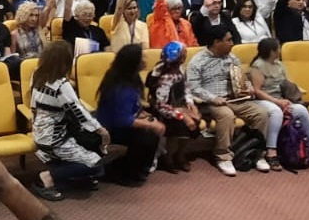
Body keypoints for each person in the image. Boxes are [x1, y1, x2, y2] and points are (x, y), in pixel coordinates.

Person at [186, 25, 272, 176]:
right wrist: (213, 98)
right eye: (228, 40)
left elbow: (243, 79)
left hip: (234, 99)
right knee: (226, 115)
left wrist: (248, 88)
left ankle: (257, 153)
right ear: (216, 42)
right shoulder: (198, 60)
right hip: (211, 102)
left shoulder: (232, 58)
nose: (232, 43)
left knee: (261, 113)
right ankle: (223, 156)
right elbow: (193, 87)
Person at [29, 41, 108, 200]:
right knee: (96, 164)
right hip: (55, 138)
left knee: (87, 142)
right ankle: (47, 177)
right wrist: (101, 130)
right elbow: (77, 111)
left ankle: (72, 175)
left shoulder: (36, 74)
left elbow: (33, 106)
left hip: (40, 131)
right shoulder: (61, 84)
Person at [248, 38, 309, 169]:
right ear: (271, 51)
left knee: (301, 110)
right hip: (263, 100)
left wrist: (293, 95)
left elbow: (288, 83)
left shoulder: (279, 65)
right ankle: (271, 151)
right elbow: (257, 91)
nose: (280, 50)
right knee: (276, 113)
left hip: (281, 98)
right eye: (278, 48)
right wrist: (276, 101)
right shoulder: (258, 66)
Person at [91, 45, 163, 186]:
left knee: (150, 130)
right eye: (142, 57)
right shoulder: (120, 87)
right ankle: (127, 174)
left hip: (121, 122)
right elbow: (122, 120)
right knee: (147, 136)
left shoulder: (130, 77)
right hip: (109, 128)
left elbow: (133, 106)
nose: (146, 59)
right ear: (133, 62)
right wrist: (151, 124)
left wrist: (143, 115)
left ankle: (138, 170)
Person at [146, 41, 201, 172]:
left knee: (195, 121)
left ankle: (181, 154)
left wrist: (190, 103)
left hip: (179, 105)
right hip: (165, 111)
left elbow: (185, 88)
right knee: (181, 125)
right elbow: (161, 106)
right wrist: (183, 116)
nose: (186, 56)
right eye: (184, 54)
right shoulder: (165, 76)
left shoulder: (180, 69)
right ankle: (168, 158)